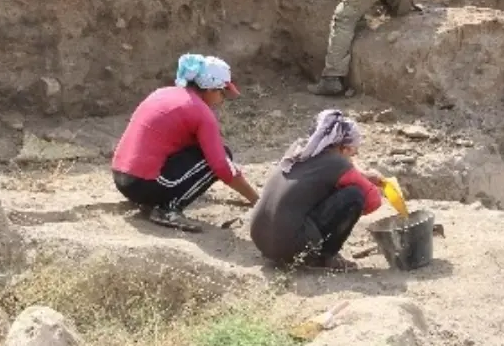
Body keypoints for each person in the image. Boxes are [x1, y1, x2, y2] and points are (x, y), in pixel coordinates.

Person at [112, 53, 260, 232]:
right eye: (222, 93)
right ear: (210, 89)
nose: (222, 101)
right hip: (142, 185)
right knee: (221, 155)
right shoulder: (200, 112)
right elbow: (221, 166)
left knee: (201, 152)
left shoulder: (163, 93)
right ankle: (165, 208)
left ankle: (153, 199)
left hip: (121, 177)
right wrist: (256, 200)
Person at [250, 109, 383, 270]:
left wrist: (362, 174)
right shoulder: (337, 164)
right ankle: (325, 258)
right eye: (353, 152)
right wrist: (364, 180)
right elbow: (373, 201)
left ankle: (290, 251)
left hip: (262, 240)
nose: (353, 157)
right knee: (355, 196)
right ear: (344, 149)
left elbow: (332, 168)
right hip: (291, 247)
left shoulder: (298, 149)